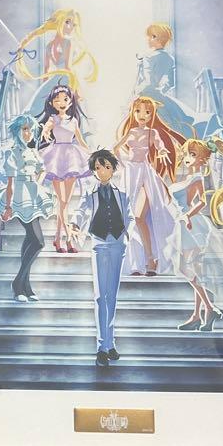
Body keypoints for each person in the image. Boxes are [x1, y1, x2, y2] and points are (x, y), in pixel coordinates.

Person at [170, 137, 223, 330]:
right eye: (187, 154)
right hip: (185, 224)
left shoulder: (199, 177)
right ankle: (198, 314)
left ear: (202, 158)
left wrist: (187, 215)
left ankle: (209, 309)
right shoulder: (190, 177)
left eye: (193, 154)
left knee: (187, 268)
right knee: (193, 269)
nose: (187, 158)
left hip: (193, 225)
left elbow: (202, 201)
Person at [71, 149, 132, 366]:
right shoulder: (90, 192)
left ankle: (110, 343)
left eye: (106, 167)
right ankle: (101, 347)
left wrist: (128, 234)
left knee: (111, 297)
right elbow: (81, 210)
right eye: (97, 168)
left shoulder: (122, 192)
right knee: (100, 297)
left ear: (113, 168)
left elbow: (130, 216)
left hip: (117, 244)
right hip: (99, 243)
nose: (102, 172)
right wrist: (74, 224)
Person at [113, 95, 184, 275]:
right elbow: (116, 148)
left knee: (139, 217)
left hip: (145, 174)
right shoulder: (131, 132)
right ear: (133, 112)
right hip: (131, 173)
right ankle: (137, 262)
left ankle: (151, 259)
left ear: (152, 114)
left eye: (147, 112)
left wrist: (163, 151)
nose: (142, 115)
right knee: (130, 218)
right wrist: (123, 164)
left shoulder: (152, 133)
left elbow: (160, 145)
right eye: (138, 111)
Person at [0, 114, 55, 301]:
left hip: (32, 193)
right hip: (19, 194)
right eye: (25, 129)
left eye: (31, 130)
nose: (28, 133)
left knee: (31, 239)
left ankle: (25, 286)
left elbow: (42, 169)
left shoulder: (32, 151)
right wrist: (8, 207)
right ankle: (18, 283)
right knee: (38, 242)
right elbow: (10, 183)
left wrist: (37, 184)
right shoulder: (12, 153)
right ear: (17, 130)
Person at [36, 83, 90, 252]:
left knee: (64, 202)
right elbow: (47, 128)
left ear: (71, 102)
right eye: (57, 100)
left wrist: (92, 154)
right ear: (52, 103)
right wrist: (45, 131)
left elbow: (80, 140)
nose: (61, 103)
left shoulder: (73, 121)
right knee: (62, 202)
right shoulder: (53, 118)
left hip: (72, 158)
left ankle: (58, 238)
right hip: (56, 158)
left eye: (65, 99)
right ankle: (68, 240)